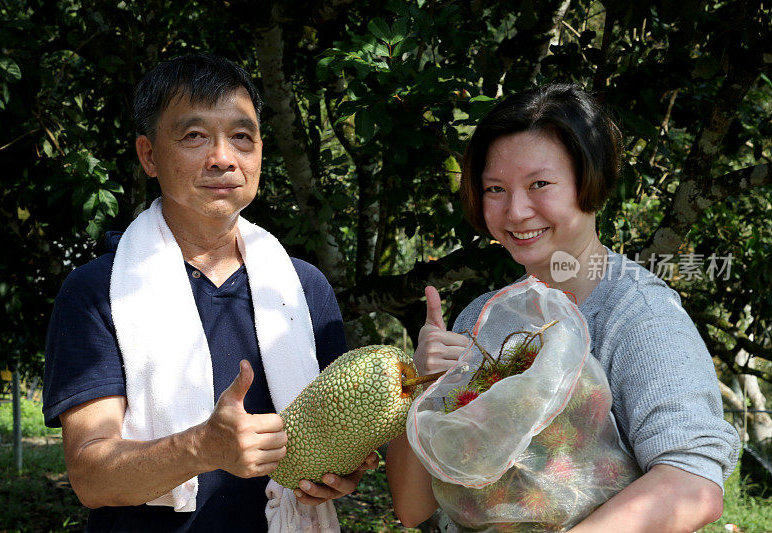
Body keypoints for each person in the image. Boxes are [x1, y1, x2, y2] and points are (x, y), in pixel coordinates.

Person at [42, 54, 376, 532]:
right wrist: (202, 447)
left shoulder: (303, 289)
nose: (223, 157)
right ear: (149, 155)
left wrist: (336, 475)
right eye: (195, 136)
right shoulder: (99, 292)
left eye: (242, 137)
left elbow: (330, 447)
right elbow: (92, 476)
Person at [386, 83, 740, 532]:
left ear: (589, 183)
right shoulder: (479, 319)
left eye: (540, 184)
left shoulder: (638, 316)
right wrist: (418, 389)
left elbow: (693, 483)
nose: (515, 211)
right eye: (495, 188)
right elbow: (414, 507)